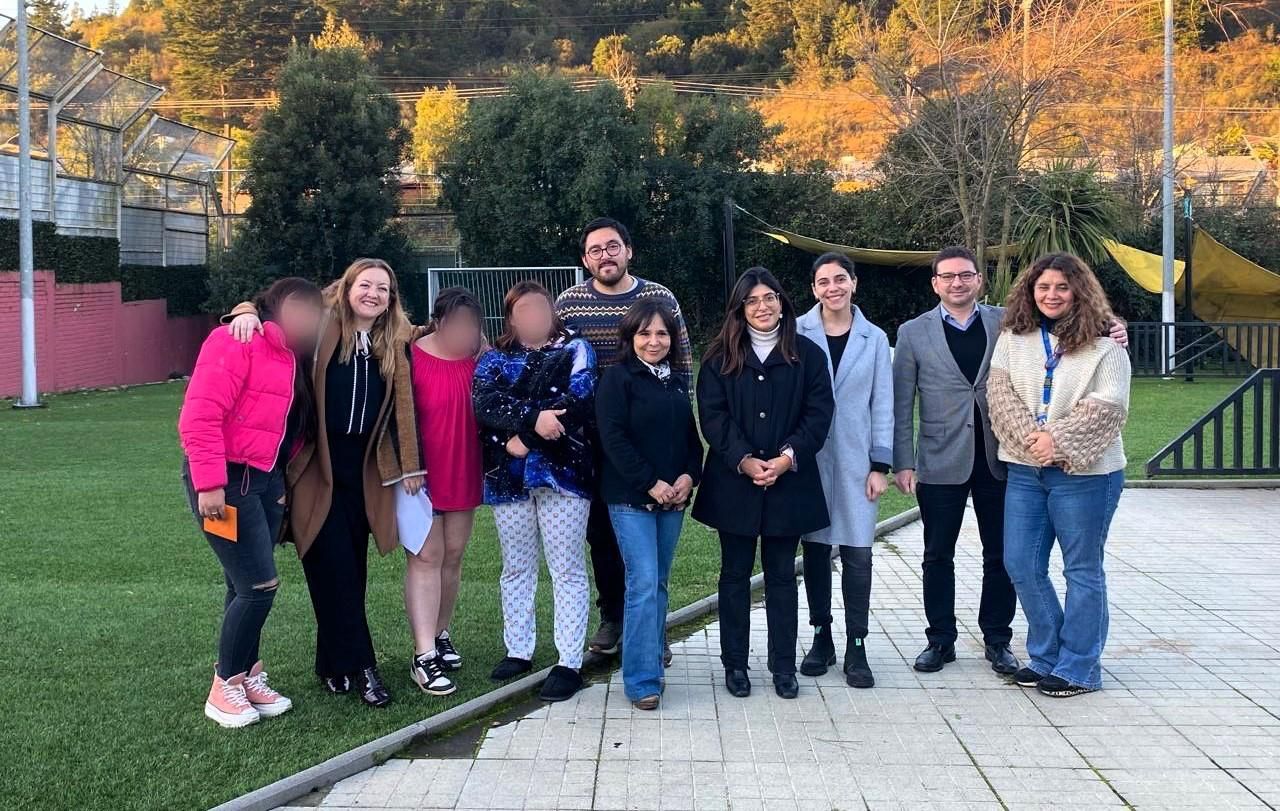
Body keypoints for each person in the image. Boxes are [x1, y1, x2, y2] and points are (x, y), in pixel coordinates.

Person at [893, 246, 1127, 677]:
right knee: (937, 554)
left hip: (1000, 459)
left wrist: (1115, 327)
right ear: (935, 283)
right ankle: (940, 639)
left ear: (979, 279)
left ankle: (998, 640)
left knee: (1003, 556)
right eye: (948, 276)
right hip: (944, 458)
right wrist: (903, 461)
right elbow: (902, 401)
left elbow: (1083, 324)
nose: (957, 283)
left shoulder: (1006, 321)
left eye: (965, 275)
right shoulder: (913, 332)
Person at [227, 258, 425, 708]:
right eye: (365, 285)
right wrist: (245, 311)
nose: (373, 294)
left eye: (383, 288)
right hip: (317, 471)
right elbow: (272, 308)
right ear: (347, 288)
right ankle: (365, 667)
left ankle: (332, 664)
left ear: (391, 299)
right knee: (330, 569)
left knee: (350, 573)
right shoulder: (320, 330)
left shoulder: (393, 340)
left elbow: (439, 336)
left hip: (364, 475)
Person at [180, 277, 323, 728]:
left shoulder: (294, 354)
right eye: (295, 306)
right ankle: (223, 685)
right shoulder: (236, 339)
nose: (304, 317)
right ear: (273, 305)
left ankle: (245, 675)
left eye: (312, 310)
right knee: (259, 586)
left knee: (239, 583)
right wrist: (209, 485)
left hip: (263, 480)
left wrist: (276, 483)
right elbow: (200, 415)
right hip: (225, 481)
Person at [987, 253, 1129, 698]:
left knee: (1081, 569)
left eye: (1062, 287)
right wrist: (1035, 441)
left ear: (1078, 292)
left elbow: (1108, 406)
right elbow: (1000, 394)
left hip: (1087, 474)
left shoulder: (1106, 345)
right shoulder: (1013, 338)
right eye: (1043, 287)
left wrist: (1058, 441)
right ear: (1031, 291)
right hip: (1025, 469)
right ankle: (1047, 655)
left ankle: (1080, 668)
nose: (1051, 295)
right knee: (1020, 562)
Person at [555, 217, 695, 659]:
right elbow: (556, 362)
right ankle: (614, 616)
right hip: (590, 439)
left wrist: (677, 425)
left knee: (651, 541)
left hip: (648, 435)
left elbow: (682, 365)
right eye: (595, 250)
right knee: (601, 534)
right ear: (585, 260)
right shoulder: (569, 304)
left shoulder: (660, 298)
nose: (605, 256)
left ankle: (651, 629)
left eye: (612, 247)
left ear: (628, 250)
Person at [693, 267, 835, 700]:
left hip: (788, 482)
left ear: (782, 303)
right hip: (734, 483)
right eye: (752, 300)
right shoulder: (719, 358)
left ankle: (783, 667)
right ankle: (735, 665)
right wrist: (744, 459)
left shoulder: (808, 355)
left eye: (769, 297)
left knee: (781, 577)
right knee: (734, 575)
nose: (762, 307)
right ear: (740, 309)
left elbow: (819, 414)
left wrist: (787, 457)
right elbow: (713, 416)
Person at [473, 281, 597, 702]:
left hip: (564, 476)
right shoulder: (494, 359)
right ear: (511, 317)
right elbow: (486, 405)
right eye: (523, 310)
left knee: (567, 568)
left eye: (539, 308)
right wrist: (531, 421)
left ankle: (569, 660)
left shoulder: (575, 350)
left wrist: (526, 437)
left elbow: (577, 401)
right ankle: (518, 649)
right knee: (516, 565)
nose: (533, 316)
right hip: (507, 479)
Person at [594, 299, 703, 710]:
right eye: (645, 333)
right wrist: (650, 483)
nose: (654, 341)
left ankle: (653, 656)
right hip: (631, 499)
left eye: (662, 333)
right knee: (641, 583)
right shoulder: (617, 379)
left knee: (657, 581)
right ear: (630, 337)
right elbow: (613, 439)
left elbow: (690, 438)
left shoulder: (675, 380)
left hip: (673, 500)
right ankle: (641, 681)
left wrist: (689, 476)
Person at [795, 253, 893, 689]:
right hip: (809, 459)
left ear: (854, 283)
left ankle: (857, 644)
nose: (832, 288)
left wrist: (880, 464)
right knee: (815, 550)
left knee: (858, 552)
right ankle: (822, 637)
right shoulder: (796, 331)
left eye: (840, 279)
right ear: (813, 289)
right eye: (823, 282)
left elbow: (883, 403)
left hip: (857, 460)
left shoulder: (875, 338)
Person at [403, 287, 485, 696]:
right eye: (456, 324)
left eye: (471, 325)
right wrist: (407, 464)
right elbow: (397, 417)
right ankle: (423, 655)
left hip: (464, 469)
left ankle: (439, 633)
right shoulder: (409, 355)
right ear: (438, 322)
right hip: (419, 475)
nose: (463, 332)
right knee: (426, 556)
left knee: (453, 555)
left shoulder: (481, 359)